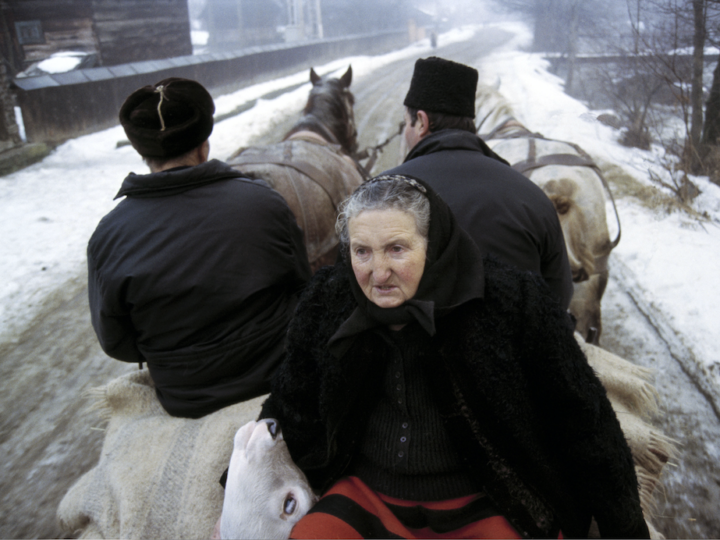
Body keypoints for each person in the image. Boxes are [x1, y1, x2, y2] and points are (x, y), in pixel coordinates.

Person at [259, 174, 650, 539]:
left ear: (435, 244)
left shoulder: (510, 300)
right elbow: (292, 398)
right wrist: (244, 481)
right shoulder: (328, 298)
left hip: (484, 497)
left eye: (396, 249)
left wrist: (625, 527)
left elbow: (583, 418)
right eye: (362, 251)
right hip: (367, 492)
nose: (378, 273)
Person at [87, 77, 311, 419]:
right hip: (277, 376)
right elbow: (303, 284)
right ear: (204, 146)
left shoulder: (108, 236)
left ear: (142, 153)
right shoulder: (263, 202)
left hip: (185, 399)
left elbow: (116, 342)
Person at [384, 56, 574, 310]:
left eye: (406, 124)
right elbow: (559, 296)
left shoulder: (380, 194)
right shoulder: (531, 196)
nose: (406, 133)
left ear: (421, 122)